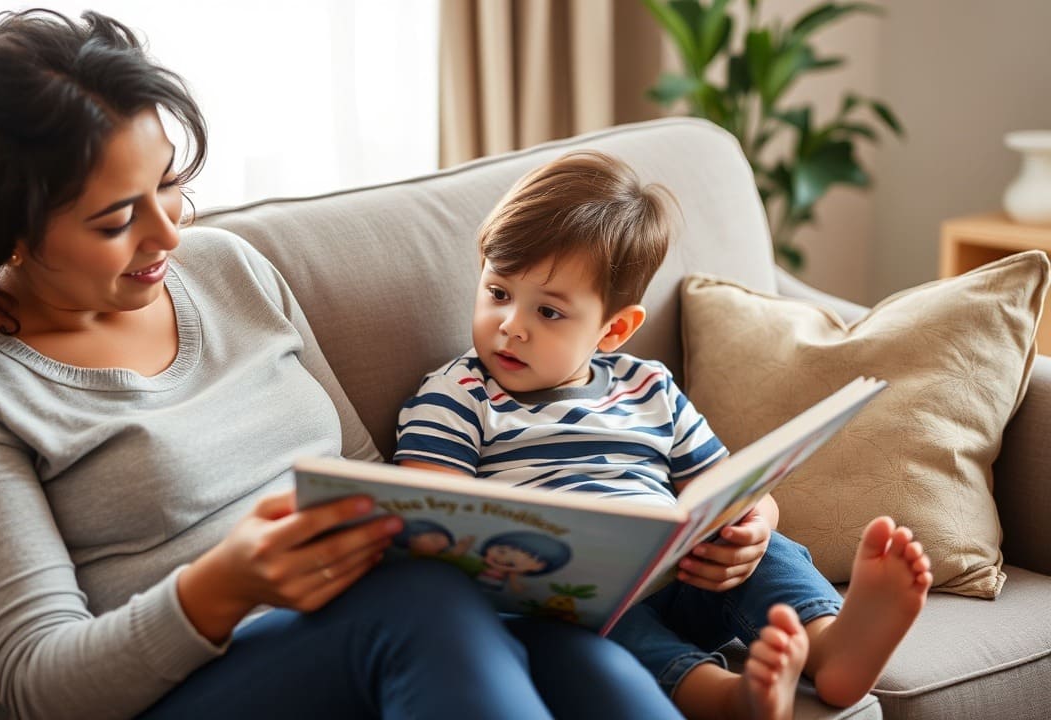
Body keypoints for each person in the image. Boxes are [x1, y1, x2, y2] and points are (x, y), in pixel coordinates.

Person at [0, 2, 683, 718]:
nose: (170, 233)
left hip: (380, 631)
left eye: (169, 183)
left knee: (585, 656)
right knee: (419, 604)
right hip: (194, 683)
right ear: (6, 231)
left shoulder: (230, 269)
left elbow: (362, 471)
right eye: (115, 219)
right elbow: (32, 686)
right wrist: (221, 588)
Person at [394, 150, 934, 720]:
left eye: (548, 312)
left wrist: (751, 527)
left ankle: (831, 646)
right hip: (566, 595)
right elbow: (435, 516)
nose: (511, 325)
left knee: (771, 551)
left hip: (679, 575)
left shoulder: (646, 386)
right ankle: (723, 696)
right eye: (498, 293)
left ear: (614, 328)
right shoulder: (458, 394)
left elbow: (730, 486)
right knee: (596, 624)